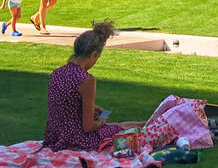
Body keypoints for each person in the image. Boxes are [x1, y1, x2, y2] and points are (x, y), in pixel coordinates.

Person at [42, 21, 143, 153]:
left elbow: (64, 102)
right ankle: (158, 124)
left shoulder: (57, 73)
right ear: (94, 54)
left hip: (54, 136)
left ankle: (152, 121)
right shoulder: (86, 79)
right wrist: (101, 120)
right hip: (76, 140)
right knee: (130, 129)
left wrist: (91, 109)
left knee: (121, 125)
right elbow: (88, 127)